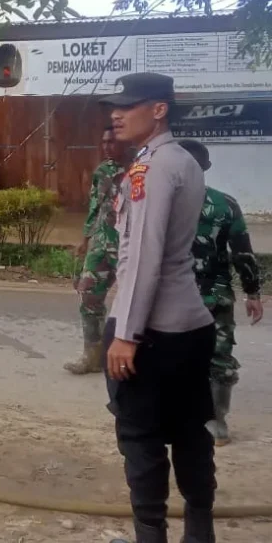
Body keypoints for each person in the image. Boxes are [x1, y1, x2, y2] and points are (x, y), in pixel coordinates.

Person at [99, 73, 217, 543]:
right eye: (115, 106)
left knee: (141, 438)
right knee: (190, 431)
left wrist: (126, 332)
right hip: (190, 325)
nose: (116, 113)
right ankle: (199, 528)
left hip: (151, 332)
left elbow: (144, 256)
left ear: (160, 110)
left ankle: (151, 533)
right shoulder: (183, 160)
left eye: (128, 106)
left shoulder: (151, 168)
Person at [178, 139, 264, 447]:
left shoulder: (159, 200)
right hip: (211, 295)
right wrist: (253, 292)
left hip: (176, 296)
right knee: (218, 357)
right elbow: (243, 253)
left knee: (173, 353)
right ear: (207, 167)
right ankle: (215, 420)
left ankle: (188, 418)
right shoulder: (226, 202)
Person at [65, 126, 127, 374]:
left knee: (136, 303)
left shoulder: (140, 168)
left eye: (112, 142)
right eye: (104, 142)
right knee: (89, 295)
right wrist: (86, 239)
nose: (107, 146)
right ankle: (93, 356)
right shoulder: (102, 171)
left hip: (128, 246)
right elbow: (95, 207)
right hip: (101, 244)